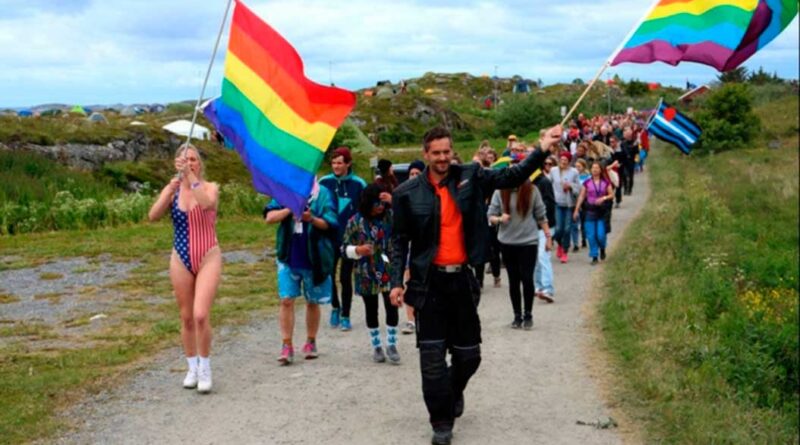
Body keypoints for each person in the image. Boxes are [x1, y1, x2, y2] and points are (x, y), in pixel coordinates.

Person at [389, 125, 562, 444]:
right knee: (431, 359)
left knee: (469, 356)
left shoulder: (471, 175)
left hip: (464, 280)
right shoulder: (406, 194)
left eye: (447, 152)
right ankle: (441, 422)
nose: (442, 158)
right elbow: (399, 240)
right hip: (429, 285)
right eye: (436, 153)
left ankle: (453, 391)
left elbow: (511, 176)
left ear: (452, 152)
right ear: (426, 154)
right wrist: (396, 281)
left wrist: (542, 148)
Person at [148, 144, 221, 393]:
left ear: (199, 163)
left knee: (201, 314)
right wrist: (169, 189)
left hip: (208, 254)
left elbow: (207, 204)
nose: (189, 163)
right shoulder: (174, 190)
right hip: (180, 256)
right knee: (187, 317)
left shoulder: (210, 187)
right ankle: (192, 365)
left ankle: (205, 367)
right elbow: (153, 215)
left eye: (193, 159)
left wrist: (191, 179)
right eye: (185, 160)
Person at [265, 181, 338, 364]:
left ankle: (311, 341)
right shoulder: (285, 190)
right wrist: (290, 209)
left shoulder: (323, 194)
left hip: (314, 257)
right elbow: (269, 217)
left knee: (312, 302)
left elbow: (330, 223)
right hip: (288, 255)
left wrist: (310, 218)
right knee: (286, 299)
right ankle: (286, 345)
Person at [342, 184, 400, 363]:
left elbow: (410, 218)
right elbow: (343, 248)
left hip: (389, 270)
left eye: (382, 203)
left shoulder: (391, 217)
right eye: (376, 203)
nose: (380, 207)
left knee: (392, 307)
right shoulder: (355, 221)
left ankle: (391, 344)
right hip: (366, 272)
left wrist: (394, 201)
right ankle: (376, 346)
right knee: (371, 309)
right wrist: (357, 250)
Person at [487, 174, 551, 329]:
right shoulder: (499, 192)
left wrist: (548, 237)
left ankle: (528, 314)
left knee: (527, 278)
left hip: (528, 241)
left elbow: (541, 215)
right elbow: (490, 216)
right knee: (513, 280)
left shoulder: (532, 190)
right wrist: (500, 218)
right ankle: (517, 316)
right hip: (507, 242)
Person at [319, 147, 367, 331]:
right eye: (334, 163)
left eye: (340, 162)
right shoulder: (324, 182)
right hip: (328, 238)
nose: (336, 166)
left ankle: (346, 314)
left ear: (348, 163)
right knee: (329, 275)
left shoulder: (359, 184)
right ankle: (335, 307)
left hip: (350, 241)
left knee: (345, 277)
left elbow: (364, 210)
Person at [401, 160, 426, 335]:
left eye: (418, 173)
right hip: (409, 244)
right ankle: (410, 319)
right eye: (411, 174)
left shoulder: (430, 194)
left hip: (426, 245)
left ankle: (423, 316)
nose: (414, 177)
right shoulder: (402, 194)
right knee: (408, 281)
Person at [573, 162, 614, 264]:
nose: (595, 170)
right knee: (591, 235)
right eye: (593, 168)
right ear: (590, 170)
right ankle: (594, 256)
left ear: (601, 170)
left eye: (597, 168)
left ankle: (602, 248)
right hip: (590, 211)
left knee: (600, 235)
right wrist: (576, 209)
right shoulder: (586, 183)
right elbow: (582, 196)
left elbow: (611, 195)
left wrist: (603, 198)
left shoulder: (606, 182)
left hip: (601, 212)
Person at [548, 151, 580, 262]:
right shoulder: (553, 171)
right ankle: (560, 245)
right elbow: (548, 184)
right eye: (561, 160)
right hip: (557, 203)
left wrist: (570, 186)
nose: (563, 162)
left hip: (569, 204)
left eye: (565, 160)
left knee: (567, 229)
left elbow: (579, 188)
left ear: (569, 161)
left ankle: (565, 251)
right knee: (557, 229)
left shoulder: (574, 172)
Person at [534, 157, 557, 302]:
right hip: (531, 227)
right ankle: (538, 287)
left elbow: (549, 204)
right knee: (535, 259)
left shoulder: (544, 182)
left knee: (543, 257)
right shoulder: (528, 183)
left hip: (545, 226)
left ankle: (548, 288)